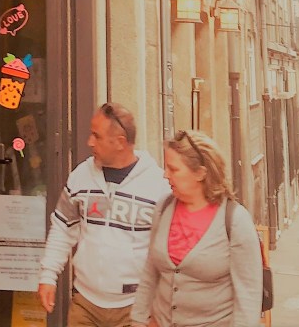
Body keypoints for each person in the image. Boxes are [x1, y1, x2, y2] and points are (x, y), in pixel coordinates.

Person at [37, 102, 170, 326]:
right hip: (85, 305)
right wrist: (48, 275)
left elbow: (168, 252)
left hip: (136, 307)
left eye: (96, 136)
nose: (89, 142)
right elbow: (62, 228)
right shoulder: (81, 176)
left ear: (120, 142)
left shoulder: (158, 186)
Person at [131, 130, 262, 327]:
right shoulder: (163, 208)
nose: (165, 175)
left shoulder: (235, 220)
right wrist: (138, 320)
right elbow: (150, 273)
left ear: (200, 173)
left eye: (173, 169)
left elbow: (248, 296)